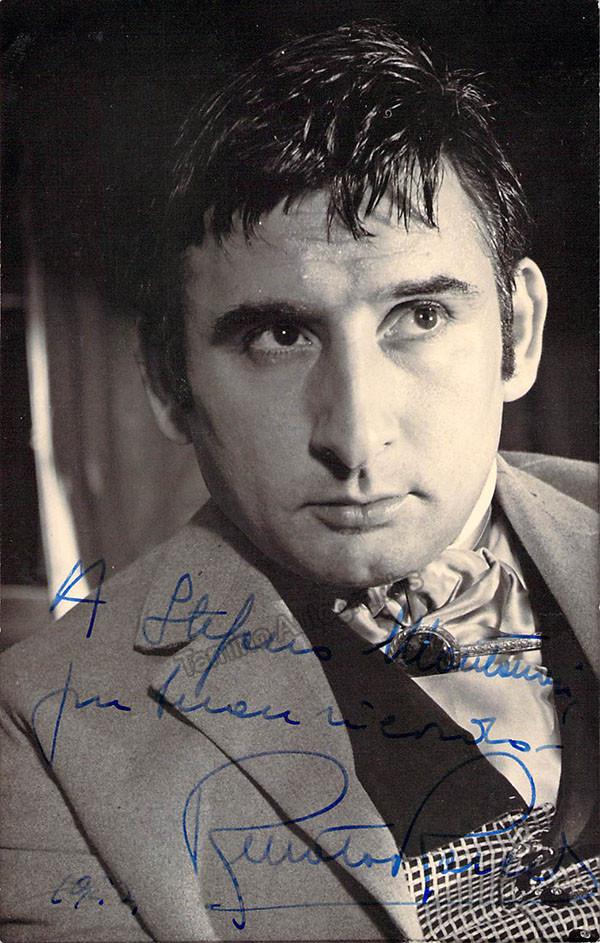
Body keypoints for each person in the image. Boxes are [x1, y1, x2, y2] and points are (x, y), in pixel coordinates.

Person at [1, 21, 597, 943]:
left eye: (420, 315)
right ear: (168, 380)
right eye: (279, 336)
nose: (355, 438)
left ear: (517, 331)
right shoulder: (38, 732)